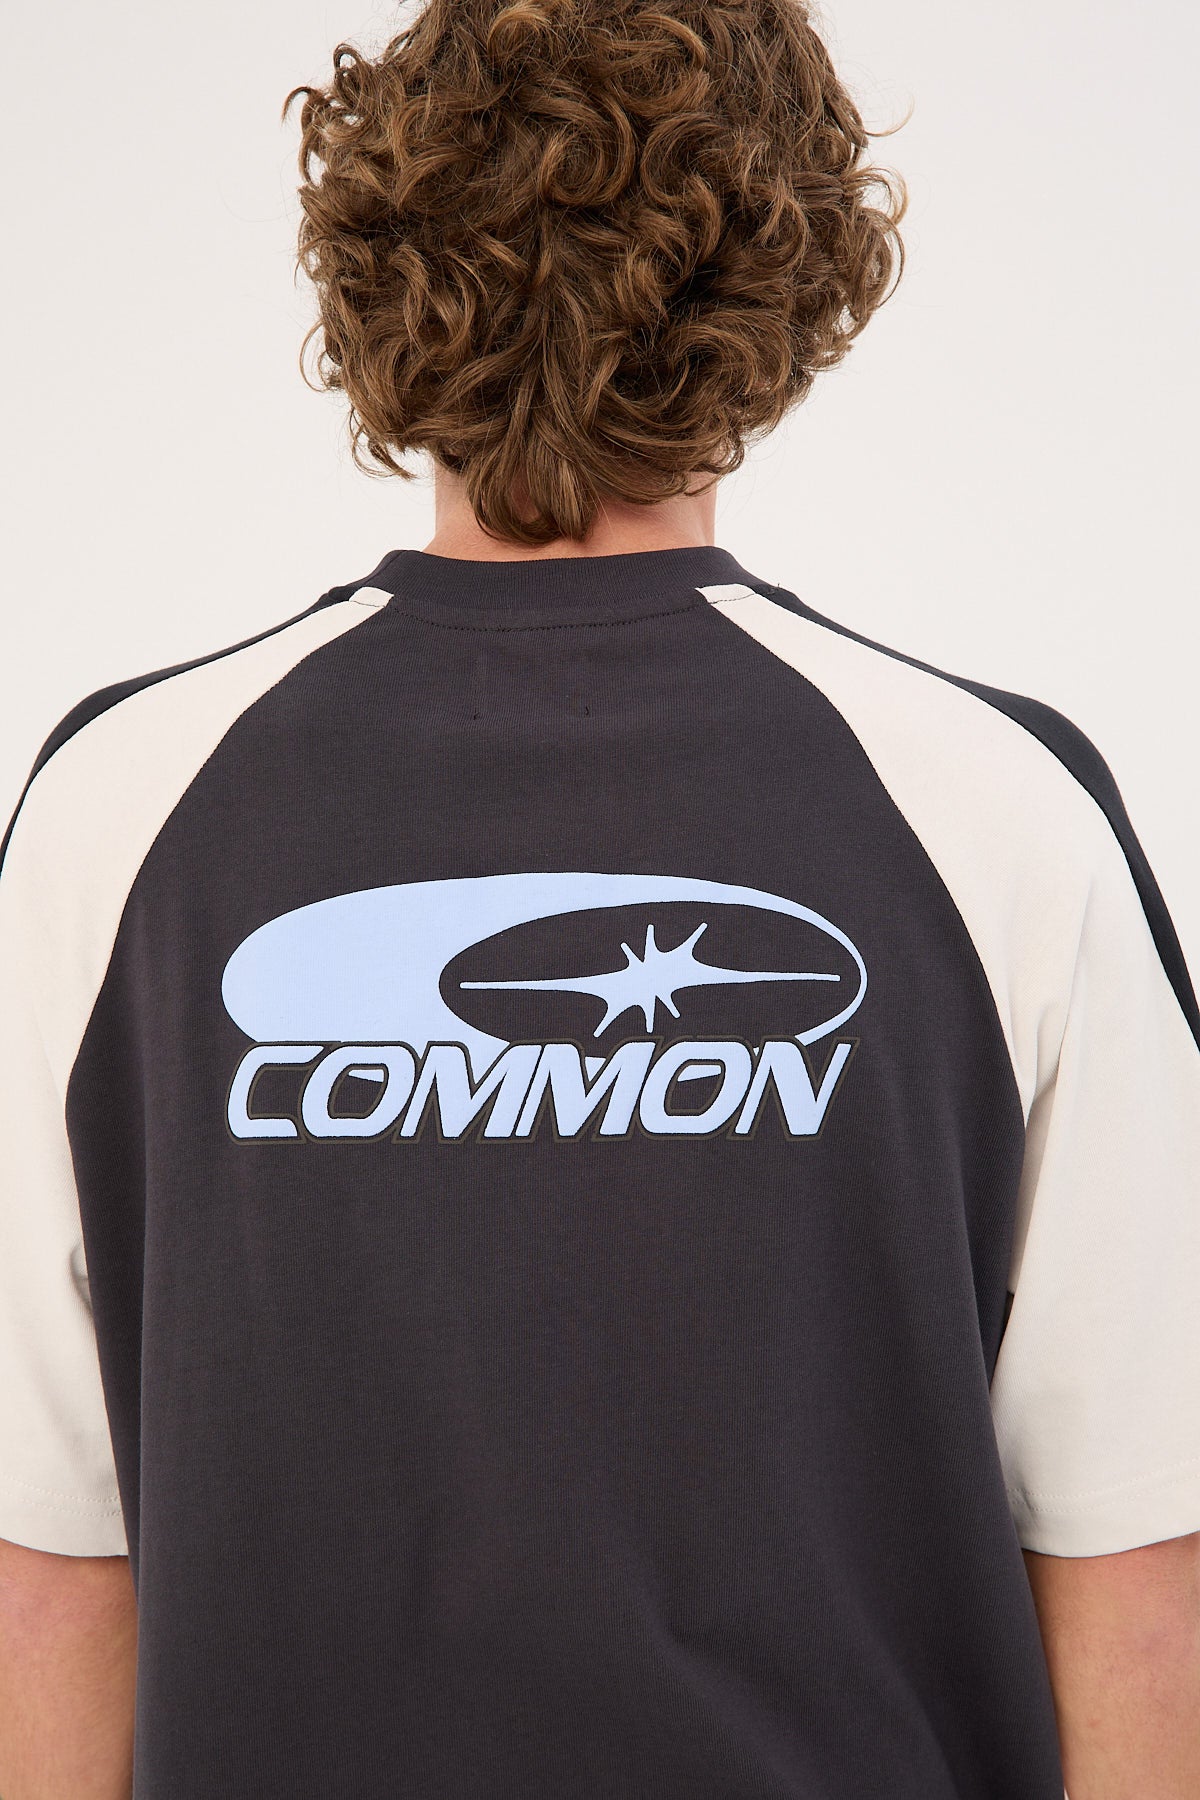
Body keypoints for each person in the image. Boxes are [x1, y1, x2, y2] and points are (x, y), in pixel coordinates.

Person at [1, 1, 1197, 1795]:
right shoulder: (996, 813)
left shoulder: (118, 814)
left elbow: (46, 1563)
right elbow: (1139, 1556)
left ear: (383, 267)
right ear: (784, 278)